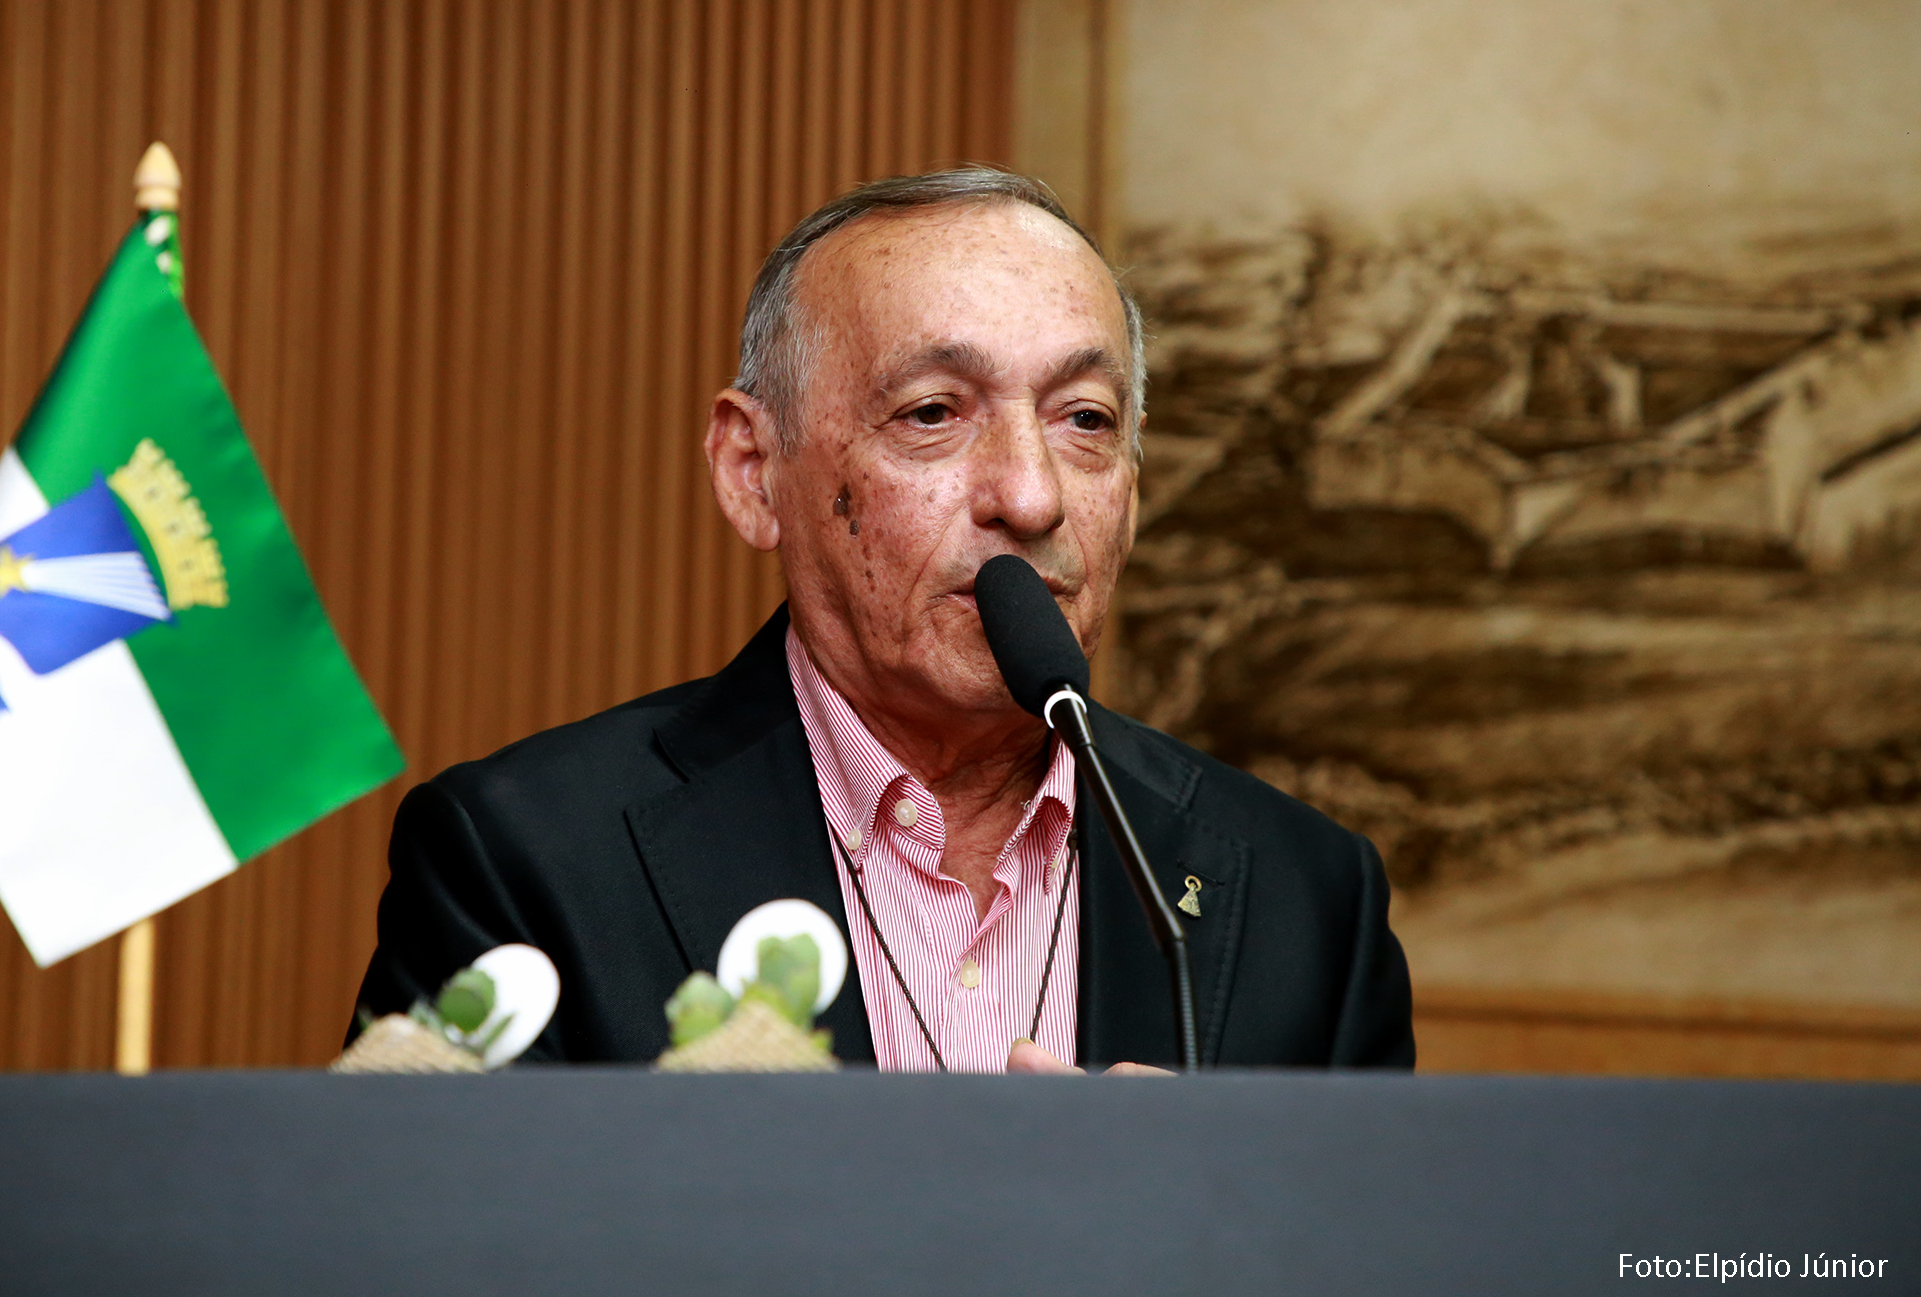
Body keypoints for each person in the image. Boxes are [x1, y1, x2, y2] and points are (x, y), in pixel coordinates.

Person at [350, 168, 1413, 1072]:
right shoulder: (529, 858)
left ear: (1132, 489)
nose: (1030, 496)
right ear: (754, 472)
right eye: (933, 413)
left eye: (1084, 420)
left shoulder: (1305, 899)